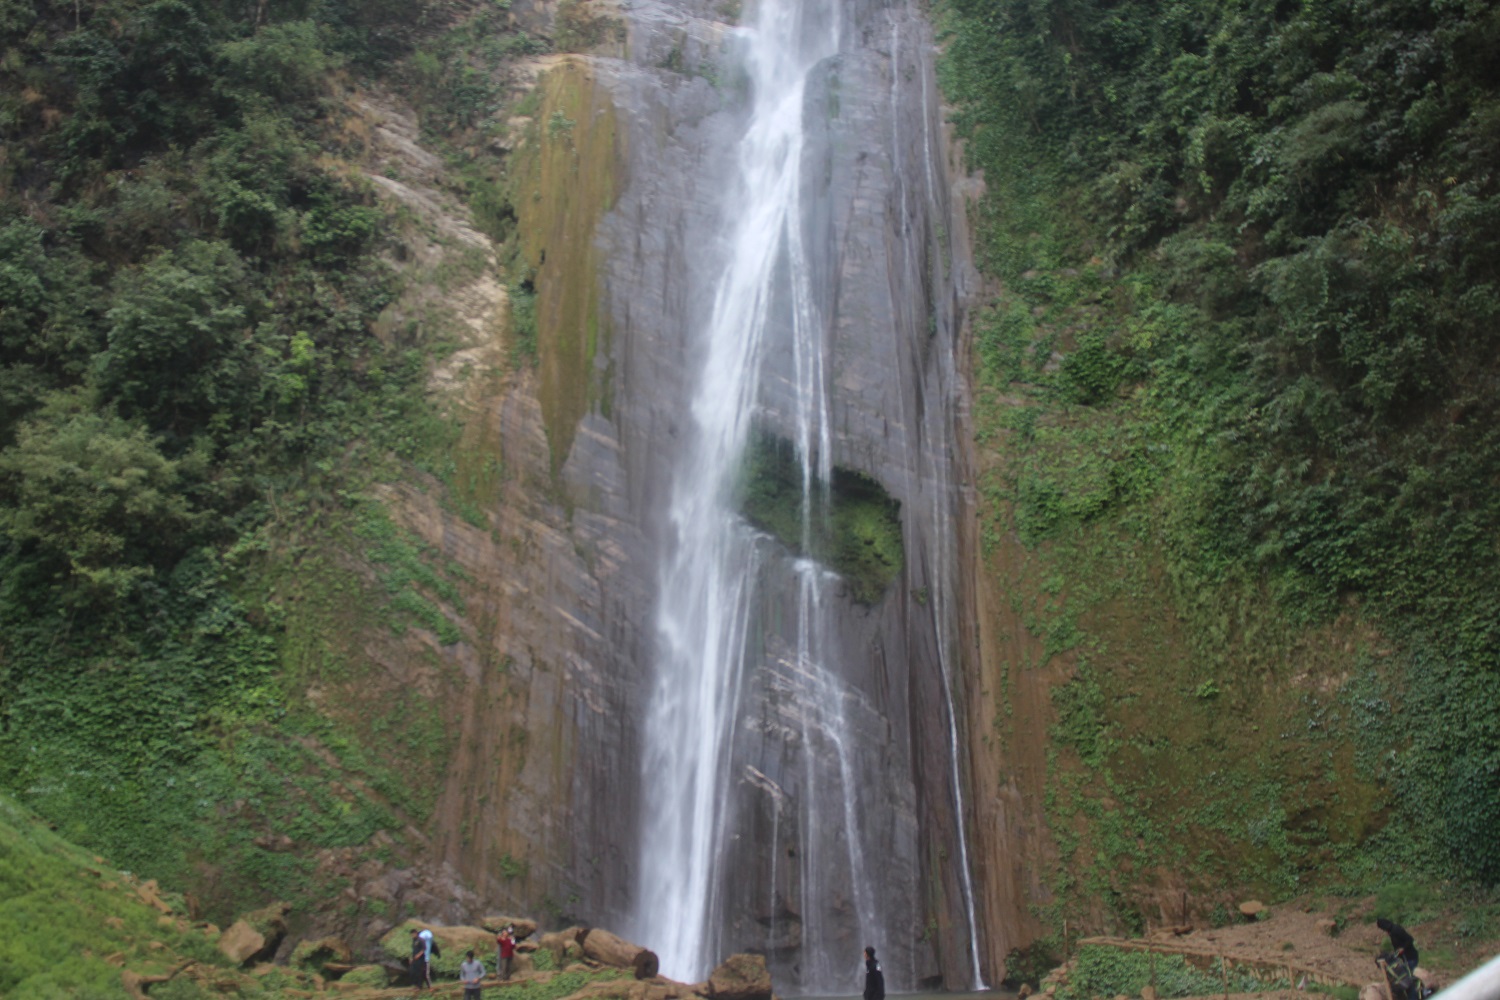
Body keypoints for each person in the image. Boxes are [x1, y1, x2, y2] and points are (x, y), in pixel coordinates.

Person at [410, 928, 429, 992]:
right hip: (415, 959)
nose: (412, 935)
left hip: (421, 959)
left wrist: (419, 955)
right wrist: (412, 958)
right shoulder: (414, 940)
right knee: (414, 972)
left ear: (416, 933)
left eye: (413, 934)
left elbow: (424, 949)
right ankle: (416, 985)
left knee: (420, 972)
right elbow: (413, 950)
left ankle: (420, 986)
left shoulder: (421, 940)